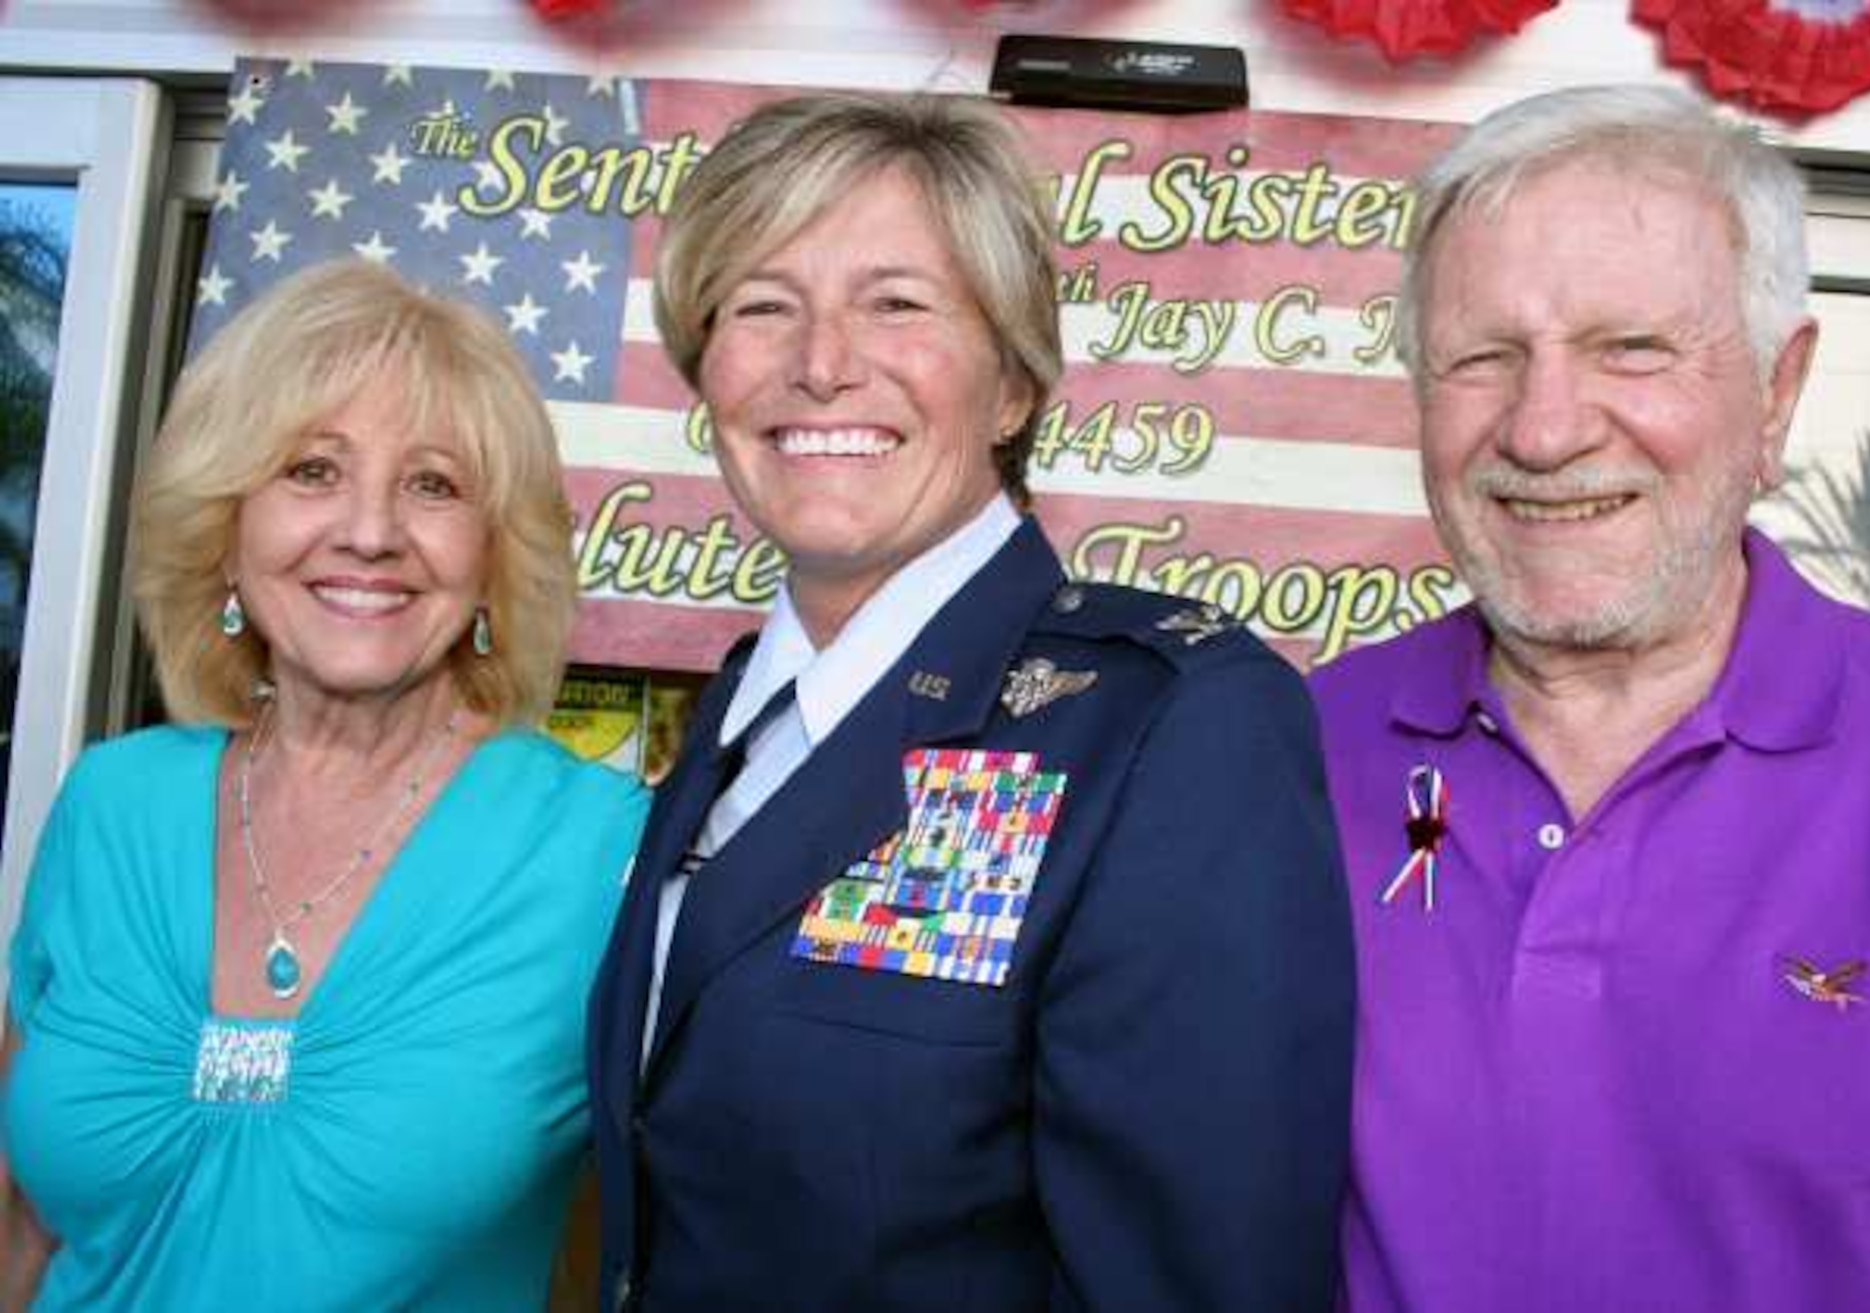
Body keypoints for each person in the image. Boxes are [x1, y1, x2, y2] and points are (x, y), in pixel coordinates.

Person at [589, 90, 1354, 1312]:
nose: (821, 364)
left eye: (895, 302)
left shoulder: (1165, 722)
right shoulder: (743, 714)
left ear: (1010, 384)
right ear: (703, 367)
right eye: (762, 305)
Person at [1309, 84, 1870, 1312]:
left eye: (1630, 347)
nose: (1544, 427)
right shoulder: (1277, 758)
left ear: (1776, 393)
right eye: (1481, 356)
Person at [0, 260, 647, 1310]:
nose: (369, 530)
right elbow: (25, 1219)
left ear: (492, 559)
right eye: (310, 470)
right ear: (225, 530)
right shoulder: (109, 805)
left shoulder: (601, 850)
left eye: (434, 484)